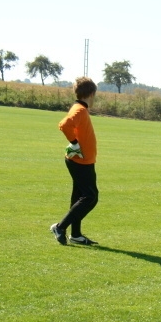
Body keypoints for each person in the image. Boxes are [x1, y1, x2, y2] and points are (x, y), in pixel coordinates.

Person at [51, 77, 100, 246]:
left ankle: (76, 235)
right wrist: (74, 143)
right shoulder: (80, 110)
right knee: (90, 197)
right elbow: (65, 125)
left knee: (79, 197)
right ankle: (60, 227)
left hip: (82, 160)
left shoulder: (78, 108)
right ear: (92, 94)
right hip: (81, 161)